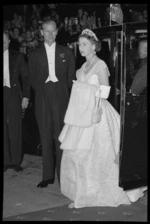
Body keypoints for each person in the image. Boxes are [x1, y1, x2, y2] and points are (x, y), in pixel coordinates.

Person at [59, 29, 132, 208]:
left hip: (97, 112)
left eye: (84, 44)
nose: (81, 47)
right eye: (79, 44)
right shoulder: (82, 67)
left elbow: (105, 91)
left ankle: (94, 194)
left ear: (94, 46)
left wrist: (96, 109)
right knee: (78, 155)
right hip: (81, 113)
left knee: (95, 156)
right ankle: (82, 194)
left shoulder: (100, 65)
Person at [28, 20, 76, 188]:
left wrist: (60, 89)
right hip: (42, 98)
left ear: (57, 32)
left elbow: (71, 77)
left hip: (61, 97)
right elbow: (31, 79)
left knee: (61, 138)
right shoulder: (34, 54)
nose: (49, 34)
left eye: (52, 31)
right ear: (41, 32)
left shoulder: (67, 52)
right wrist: (43, 88)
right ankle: (47, 176)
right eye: (46, 31)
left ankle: (63, 176)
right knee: (45, 136)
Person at [3, 31, 30, 172]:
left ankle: (15, 162)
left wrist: (26, 97)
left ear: (9, 42)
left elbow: (26, 78)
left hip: (13, 94)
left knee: (15, 129)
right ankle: (5, 161)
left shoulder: (18, 56)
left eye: (5, 41)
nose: (3, 44)